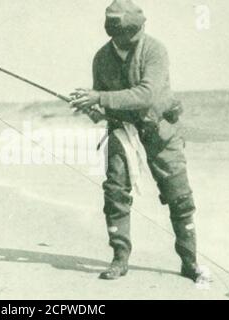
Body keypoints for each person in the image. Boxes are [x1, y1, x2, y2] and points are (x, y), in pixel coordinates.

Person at [71, 0, 205, 283]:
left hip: (161, 130)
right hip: (121, 130)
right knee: (115, 193)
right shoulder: (101, 58)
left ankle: (190, 261)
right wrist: (91, 108)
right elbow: (103, 106)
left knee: (179, 197)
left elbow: (146, 94)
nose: (134, 38)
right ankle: (119, 258)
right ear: (112, 34)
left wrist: (99, 97)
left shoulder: (155, 50)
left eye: (137, 32)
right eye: (127, 35)